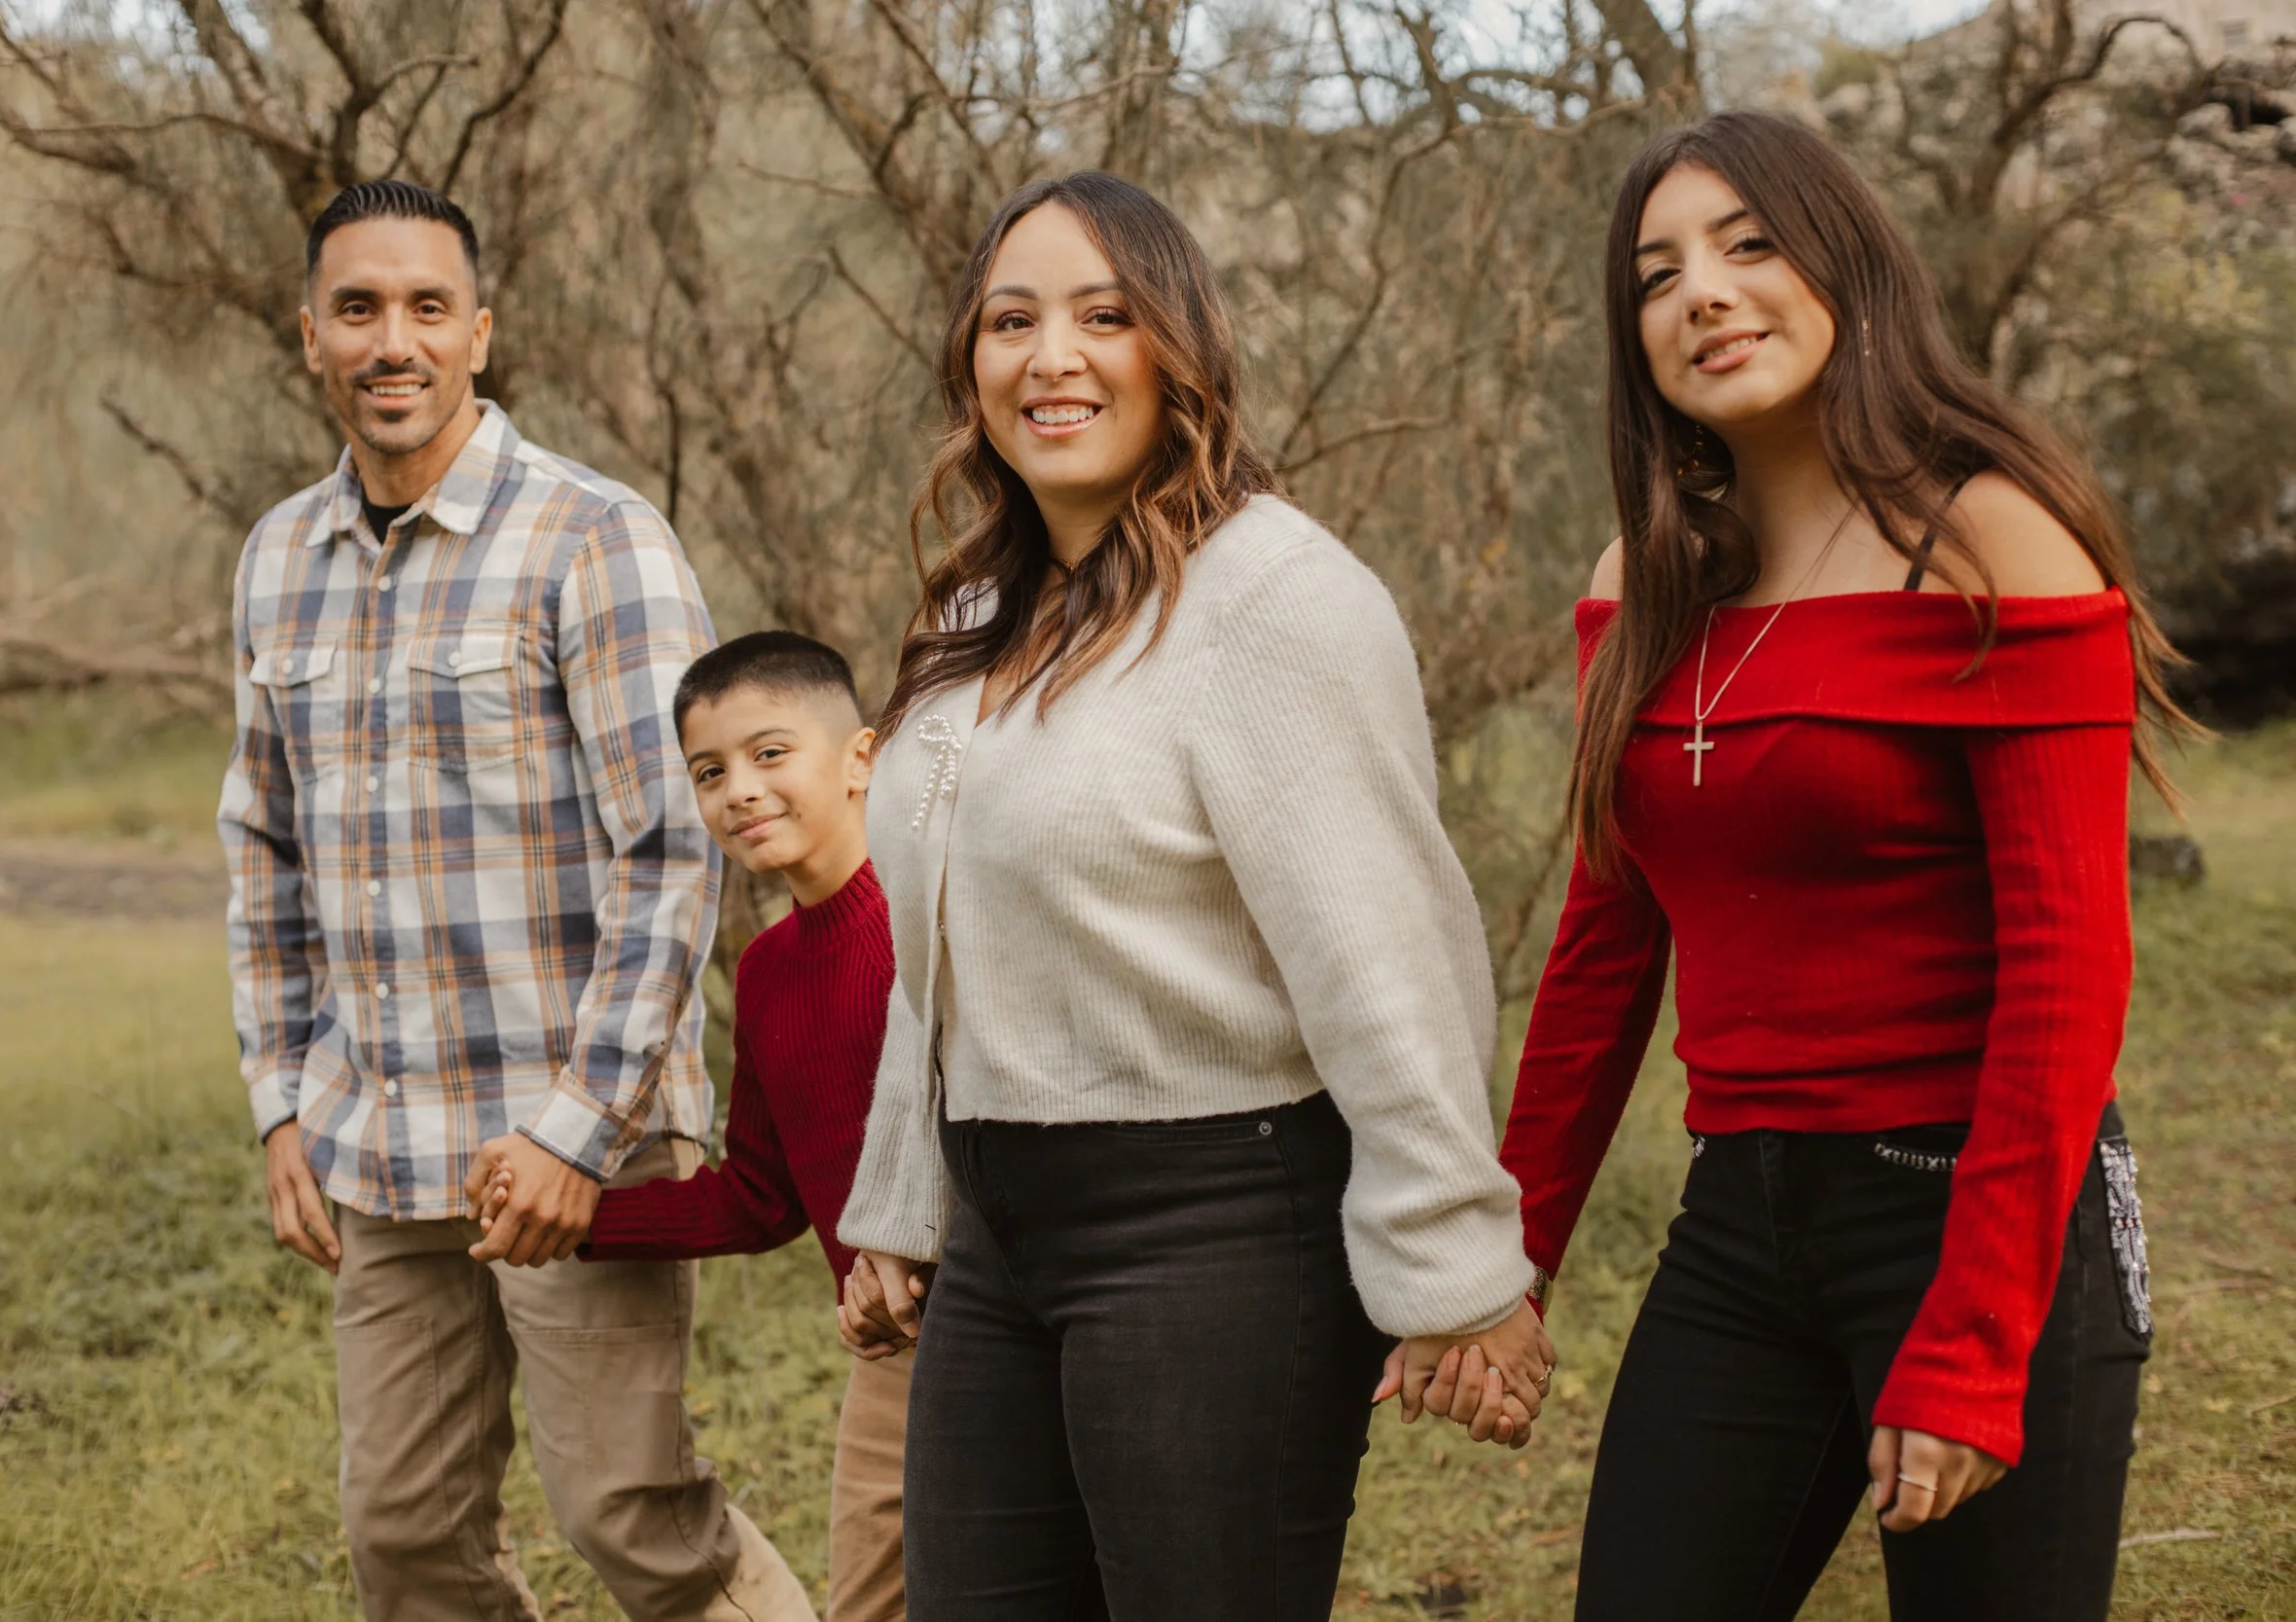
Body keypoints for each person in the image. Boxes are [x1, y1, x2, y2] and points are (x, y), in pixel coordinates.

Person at [830, 169, 1555, 1622]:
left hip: (1218, 1226)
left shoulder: (1275, 598)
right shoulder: (974, 618)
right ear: (969, 361)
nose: (1053, 356)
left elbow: (1388, 957)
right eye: (1011, 318)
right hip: (998, 1227)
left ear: (1183, 347)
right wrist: (900, 1198)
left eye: (1105, 315)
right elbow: (944, 945)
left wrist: (1456, 1258)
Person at [1496, 112, 2187, 1621]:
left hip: (1988, 1214)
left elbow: (2071, 966)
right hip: (1740, 1223)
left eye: (1750, 243)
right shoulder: (1641, 581)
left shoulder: (1999, 541)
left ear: (1847, 265)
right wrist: (1510, 1249)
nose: (1704, 292)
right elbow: (1606, 941)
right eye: (1656, 271)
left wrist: (1976, 1333)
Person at [220, 177, 813, 1622]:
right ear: (312, 335)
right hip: (382, 1137)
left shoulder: (592, 539)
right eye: (358, 307)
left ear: (479, 332)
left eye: (427, 306)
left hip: (578, 1142)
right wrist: (283, 1098)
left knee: (634, 1515)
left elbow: (674, 852)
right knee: (403, 1536)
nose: (392, 339)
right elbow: (264, 846)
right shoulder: (279, 560)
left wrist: (574, 1129)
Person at [472, 630, 906, 1622]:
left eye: (769, 753)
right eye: (709, 772)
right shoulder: (767, 970)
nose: (739, 790)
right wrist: (572, 1219)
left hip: (1004, 1318)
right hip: (891, 1355)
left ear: (860, 758)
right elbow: (760, 1199)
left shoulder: (934, 918)